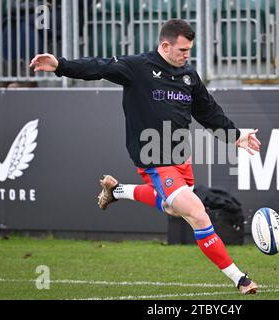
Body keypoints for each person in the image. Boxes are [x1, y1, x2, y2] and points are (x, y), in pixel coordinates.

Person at [30, 19, 261, 295]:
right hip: (154, 159)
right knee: (199, 215)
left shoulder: (188, 75)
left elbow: (208, 112)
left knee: (174, 208)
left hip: (181, 158)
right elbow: (99, 67)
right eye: (183, 50)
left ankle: (118, 191)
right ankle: (240, 279)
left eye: (189, 50)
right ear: (165, 45)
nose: (187, 55)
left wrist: (235, 136)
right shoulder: (137, 67)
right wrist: (61, 65)